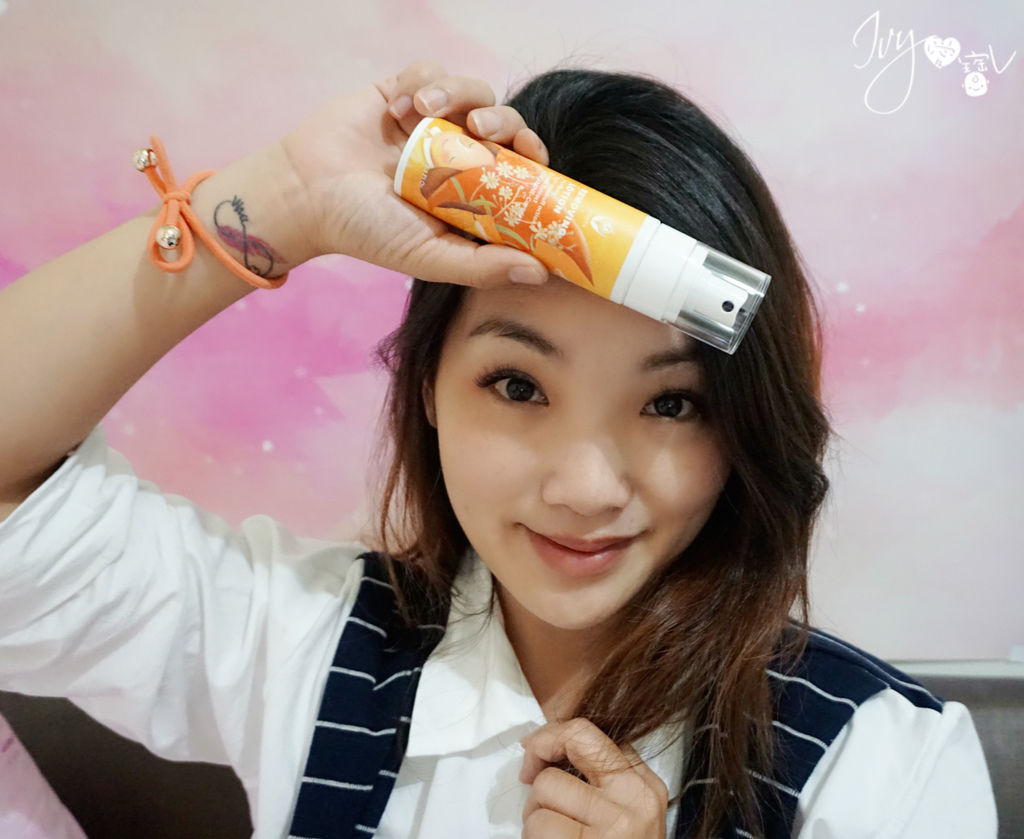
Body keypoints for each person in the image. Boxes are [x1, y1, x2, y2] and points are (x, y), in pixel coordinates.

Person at [0, 60, 996, 838]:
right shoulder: (298, 636)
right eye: (517, 385)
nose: (586, 485)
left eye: (673, 402)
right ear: (427, 385)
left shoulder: (880, 765)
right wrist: (289, 196)